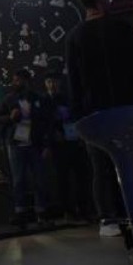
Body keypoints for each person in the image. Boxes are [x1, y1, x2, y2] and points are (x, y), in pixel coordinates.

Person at [65, 0, 133, 253]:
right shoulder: (122, 28)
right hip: (131, 111)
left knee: (106, 170)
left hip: (96, 116)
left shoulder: (74, 37)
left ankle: (123, 224)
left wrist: (79, 117)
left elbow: (74, 82)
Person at [0, 69, 54, 225]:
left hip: (35, 143)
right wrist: (10, 117)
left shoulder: (38, 98)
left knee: (39, 179)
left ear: (26, 81)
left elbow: (46, 122)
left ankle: (41, 211)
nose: (15, 83)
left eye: (18, 80)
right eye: (14, 80)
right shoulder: (9, 99)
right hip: (16, 144)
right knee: (18, 179)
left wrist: (47, 144)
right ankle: (20, 212)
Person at [44, 73, 91, 221]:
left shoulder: (68, 99)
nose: (52, 85)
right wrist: (50, 140)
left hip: (74, 141)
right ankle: (67, 210)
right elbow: (43, 123)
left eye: (54, 82)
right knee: (62, 178)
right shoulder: (44, 101)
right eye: (49, 82)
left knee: (81, 176)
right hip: (58, 145)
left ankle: (83, 208)